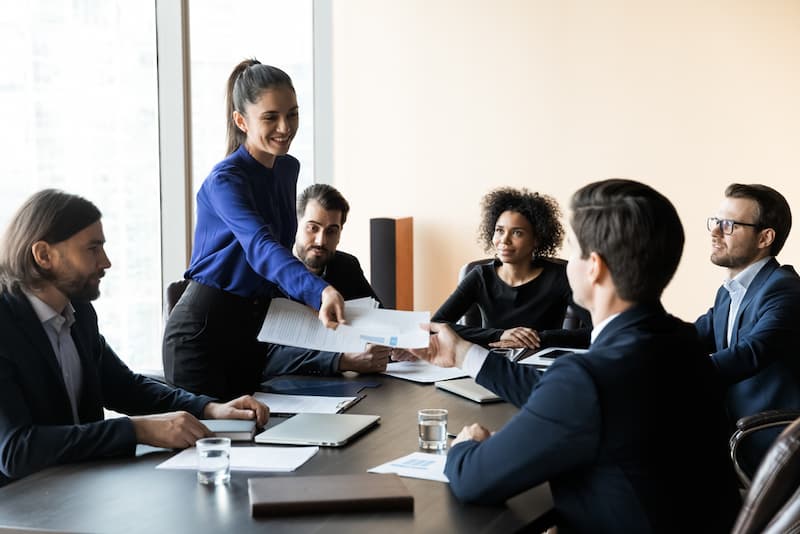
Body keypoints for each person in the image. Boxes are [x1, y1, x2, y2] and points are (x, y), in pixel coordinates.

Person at [415, 179, 741, 532]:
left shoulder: (587, 380)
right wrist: (464, 353)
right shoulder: (684, 342)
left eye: (574, 252)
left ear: (594, 267)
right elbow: (565, 397)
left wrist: (465, 447)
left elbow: (472, 480)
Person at [0, 190, 269, 487]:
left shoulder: (79, 312)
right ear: (43, 255)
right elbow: (15, 450)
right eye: (93, 249)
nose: (106, 262)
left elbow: (124, 386)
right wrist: (137, 430)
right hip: (19, 506)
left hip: (78, 487)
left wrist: (209, 409)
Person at [163, 59, 346, 400]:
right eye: (270, 117)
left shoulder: (287, 168)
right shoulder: (225, 181)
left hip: (252, 332)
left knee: (260, 438)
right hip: (202, 334)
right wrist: (316, 290)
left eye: (292, 114)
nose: (285, 127)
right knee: (213, 445)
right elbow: (261, 247)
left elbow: (276, 251)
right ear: (240, 120)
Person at [695, 183, 800, 474]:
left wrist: (678, 371)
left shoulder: (784, 289)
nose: (715, 232)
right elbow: (689, 336)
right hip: (733, 437)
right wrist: (623, 340)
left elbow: (751, 353)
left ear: (765, 237)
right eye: (716, 222)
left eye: (728, 225)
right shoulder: (729, 293)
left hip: (771, 447)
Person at [261, 183, 392, 377]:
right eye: (313, 228)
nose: (321, 241)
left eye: (331, 231)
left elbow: (380, 320)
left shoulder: (347, 265)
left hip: (347, 388)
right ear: (295, 225)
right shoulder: (267, 271)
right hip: (280, 388)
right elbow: (263, 356)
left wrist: (399, 344)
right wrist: (342, 361)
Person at [432, 187, 588, 349]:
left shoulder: (560, 277)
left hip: (540, 364)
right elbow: (435, 326)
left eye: (517, 233)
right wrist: (499, 334)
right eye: (499, 230)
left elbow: (596, 332)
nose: (504, 240)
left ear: (536, 239)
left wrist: (537, 338)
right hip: (489, 361)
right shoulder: (480, 276)